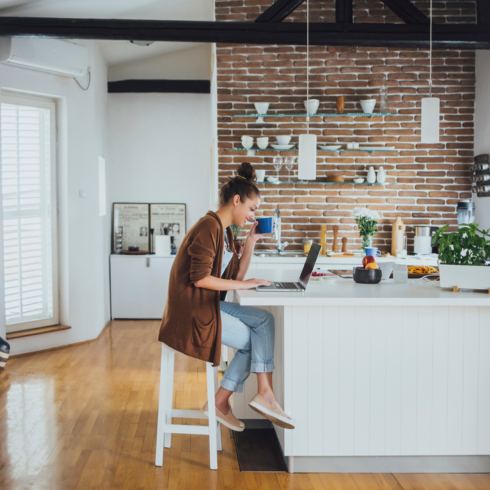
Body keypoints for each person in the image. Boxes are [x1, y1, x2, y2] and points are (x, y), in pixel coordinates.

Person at [158, 162, 295, 432]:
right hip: (193, 313)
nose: (253, 215)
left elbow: (237, 277)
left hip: (208, 306)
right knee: (257, 340)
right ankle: (227, 401)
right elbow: (200, 278)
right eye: (252, 209)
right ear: (236, 200)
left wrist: (252, 241)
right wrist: (244, 286)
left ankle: (260, 394)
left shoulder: (226, 232)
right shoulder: (209, 227)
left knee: (264, 321)